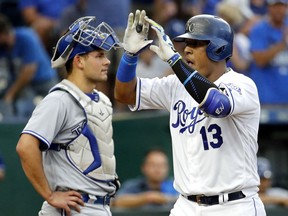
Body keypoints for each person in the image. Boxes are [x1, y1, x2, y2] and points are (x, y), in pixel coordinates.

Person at [114, 9, 266, 215]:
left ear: (218, 49)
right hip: (186, 205)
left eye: (196, 44)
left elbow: (216, 105)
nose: (186, 50)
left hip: (233, 205)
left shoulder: (241, 85)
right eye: (186, 44)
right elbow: (125, 94)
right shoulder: (175, 85)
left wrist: (174, 62)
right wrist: (130, 56)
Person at [16, 16, 122, 216]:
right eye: (99, 55)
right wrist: (49, 195)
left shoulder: (103, 100)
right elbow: (25, 146)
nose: (107, 61)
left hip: (99, 206)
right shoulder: (60, 99)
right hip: (73, 207)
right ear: (79, 60)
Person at [0, 13, 58, 121]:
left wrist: (11, 93)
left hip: (45, 81)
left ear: (2, 34)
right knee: (24, 109)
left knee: (56, 107)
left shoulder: (26, 36)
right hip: (24, 86)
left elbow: (29, 71)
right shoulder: (3, 47)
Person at [248, 0, 288, 104]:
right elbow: (259, 60)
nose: (279, 10)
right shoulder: (259, 30)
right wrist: (283, 43)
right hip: (266, 98)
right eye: (275, 6)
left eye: (282, 6)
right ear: (269, 8)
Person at [112, 147, 178, 209]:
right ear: (144, 167)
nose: (158, 169)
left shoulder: (176, 187)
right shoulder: (132, 186)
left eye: (162, 165)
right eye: (153, 165)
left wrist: (166, 198)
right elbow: (116, 202)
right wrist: (148, 197)